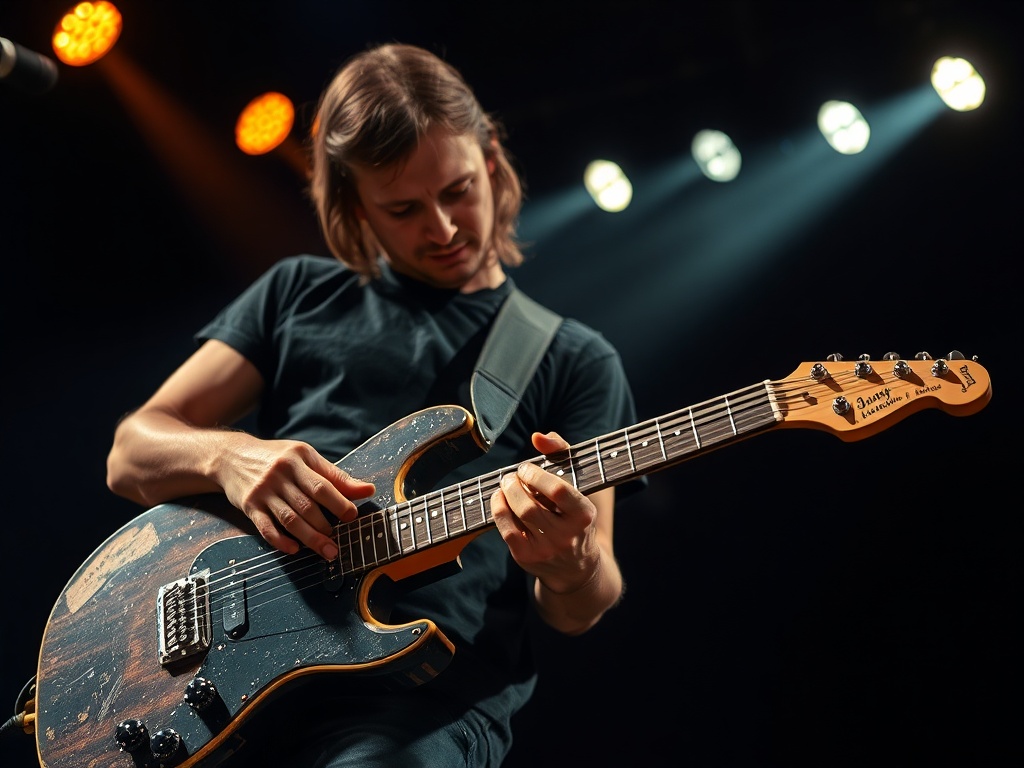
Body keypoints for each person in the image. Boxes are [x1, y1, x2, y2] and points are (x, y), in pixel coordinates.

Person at [106, 42, 644, 767]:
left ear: (490, 158)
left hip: (419, 708)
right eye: (404, 208)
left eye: (457, 190)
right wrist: (229, 454)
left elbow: (585, 605)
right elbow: (131, 451)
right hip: (230, 688)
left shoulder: (574, 358)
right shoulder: (299, 292)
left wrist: (571, 560)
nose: (444, 228)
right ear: (354, 204)